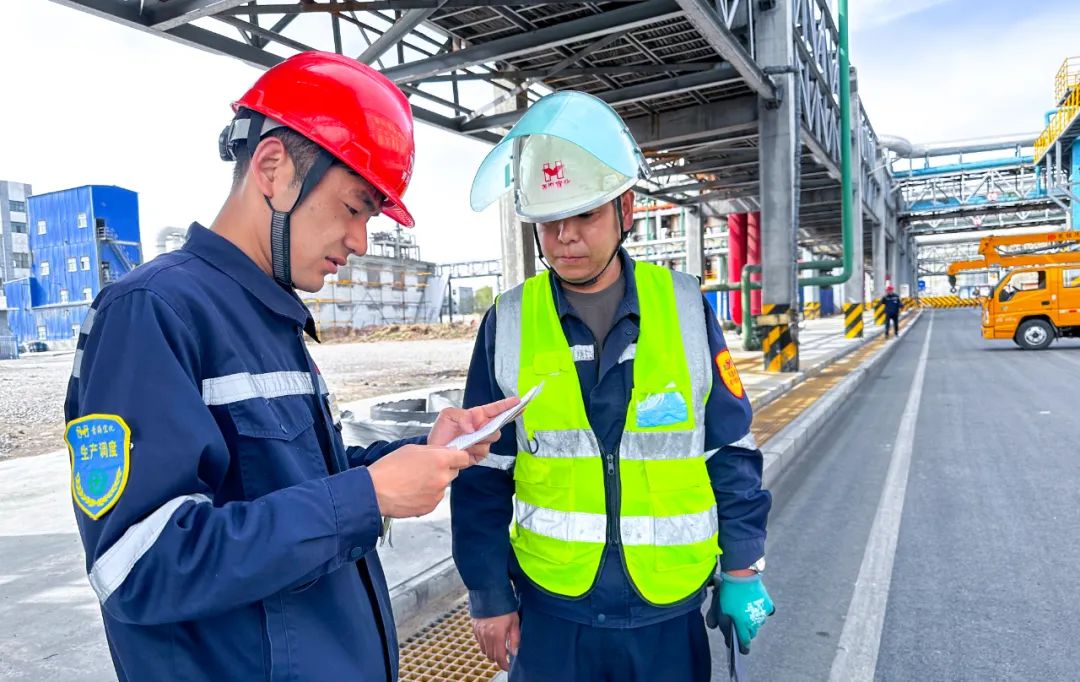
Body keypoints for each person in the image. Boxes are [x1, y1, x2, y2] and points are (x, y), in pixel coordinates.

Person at [63, 51, 517, 682]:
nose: (361, 241)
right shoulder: (152, 312)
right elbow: (140, 564)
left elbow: (291, 481)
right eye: (355, 208)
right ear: (273, 168)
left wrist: (420, 451)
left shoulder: (268, 318)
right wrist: (368, 495)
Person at [451, 91, 774, 682]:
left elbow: (728, 448)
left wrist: (743, 566)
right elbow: (482, 472)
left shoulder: (683, 307)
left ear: (626, 209)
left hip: (667, 612)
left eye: (585, 216)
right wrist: (489, 593)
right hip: (555, 610)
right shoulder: (508, 322)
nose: (566, 237)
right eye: (550, 223)